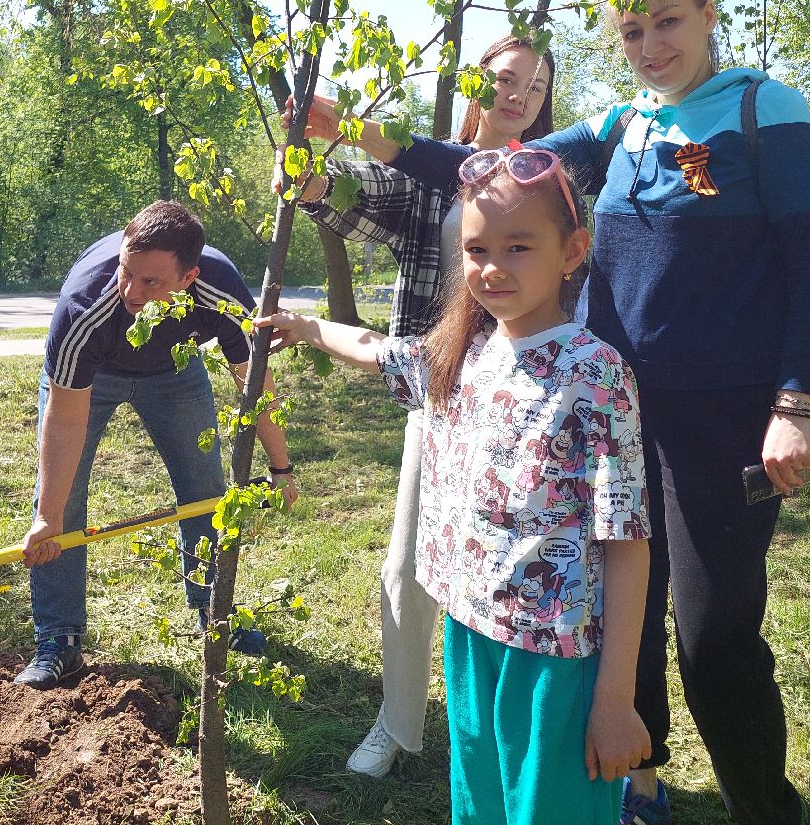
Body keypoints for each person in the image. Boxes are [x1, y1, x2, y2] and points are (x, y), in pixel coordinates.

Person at [296, 0, 810, 825]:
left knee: (711, 637)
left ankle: (762, 804)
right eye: (632, 31)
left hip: (719, 426)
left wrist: (794, 405)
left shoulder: (762, 110)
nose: (650, 45)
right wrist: (358, 129)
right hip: (602, 421)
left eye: (668, 21)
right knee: (614, 617)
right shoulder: (622, 123)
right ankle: (642, 785)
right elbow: (493, 173)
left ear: (708, 12)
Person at [258, 148, 651, 825]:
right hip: (469, 634)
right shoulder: (459, 357)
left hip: (550, 657)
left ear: (572, 251)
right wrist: (308, 327)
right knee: (482, 809)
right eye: (476, 249)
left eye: (518, 247)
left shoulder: (598, 376)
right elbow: (377, 349)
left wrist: (614, 700)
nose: (492, 268)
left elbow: (626, 542)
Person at [275, 35, 556, 777]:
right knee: (406, 568)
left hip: (533, 406)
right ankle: (397, 726)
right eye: (503, 78)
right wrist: (307, 178)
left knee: (516, 569)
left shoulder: (555, 179)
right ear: (475, 89)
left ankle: (508, 726)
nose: (517, 94)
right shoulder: (433, 177)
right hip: (439, 394)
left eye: (534, 84)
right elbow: (354, 200)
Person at [13, 200, 295, 690]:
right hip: (93, 378)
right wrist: (48, 518)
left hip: (174, 373)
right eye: (126, 271)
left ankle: (214, 611)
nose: (130, 291)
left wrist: (282, 467)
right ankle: (59, 636)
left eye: (151, 282)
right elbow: (64, 423)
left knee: (205, 488)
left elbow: (255, 387)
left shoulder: (220, 295)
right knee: (62, 497)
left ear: (188, 278)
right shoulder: (86, 307)